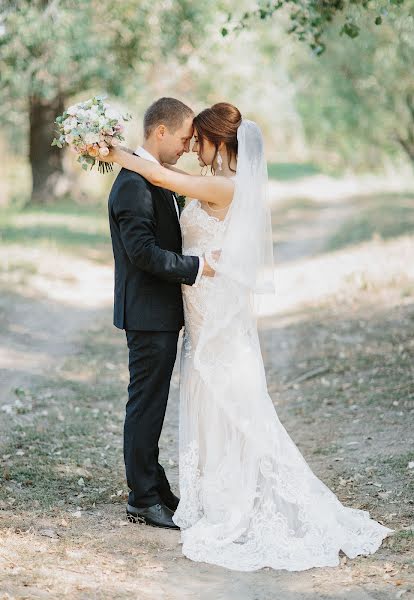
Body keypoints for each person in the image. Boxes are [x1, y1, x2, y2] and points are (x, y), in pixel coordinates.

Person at [105, 101, 392, 571]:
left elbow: (162, 178)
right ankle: (192, 490)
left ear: (219, 142)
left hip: (215, 311)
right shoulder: (208, 182)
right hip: (196, 307)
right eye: (187, 138)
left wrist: (109, 150)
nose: (192, 147)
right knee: (204, 400)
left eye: (197, 140)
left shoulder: (221, 184)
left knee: (231, 400)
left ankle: (225, 494)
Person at [107, 97, 215, 531]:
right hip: (147, 312)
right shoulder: (134, 184)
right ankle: (142, 498)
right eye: (185, 138)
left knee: (152, 404)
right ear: (162, 132)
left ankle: (156, 487)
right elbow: (144, 254)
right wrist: (198, 267)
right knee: (145, 405)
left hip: (160, 312)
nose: (188, 147)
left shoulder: (152, 176)